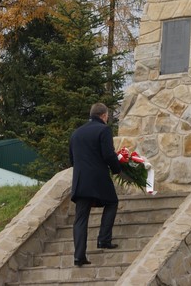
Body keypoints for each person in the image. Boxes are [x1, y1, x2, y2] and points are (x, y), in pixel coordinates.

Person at [69, 102, 122, 267]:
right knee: (112, 202)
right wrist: (117, 169)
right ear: (104, 115)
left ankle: (79, 256)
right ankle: (103, 239)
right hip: (98, 178)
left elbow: (72, 159)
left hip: (80, 180)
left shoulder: (76, 133)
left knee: (80, 218)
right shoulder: (103, 130)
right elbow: (108, 154)